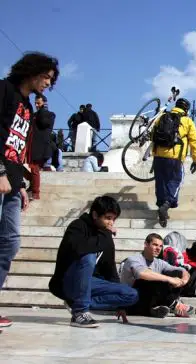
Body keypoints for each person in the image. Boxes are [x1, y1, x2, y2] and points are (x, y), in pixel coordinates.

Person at [0, 52, 59, 329]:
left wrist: (21, 183)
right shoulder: (4, 90)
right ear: (31, 71)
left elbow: (17, 144)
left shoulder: (27, 105)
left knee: (10, 243)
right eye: (45, 76)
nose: (48, 82)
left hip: (12, 182)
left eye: (51, 79)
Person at [48, 196, 139, 328]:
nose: (111, 223)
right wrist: (104, 234)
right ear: (95, 215)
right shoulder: (77, 226)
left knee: (131, 295)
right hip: (68, 282)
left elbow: (110, 269)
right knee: (88, 257)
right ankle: (79, 312)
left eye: (113, 219)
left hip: (91, 283)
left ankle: (76, 302)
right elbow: (80, 249)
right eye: (108, 218)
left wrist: (120, 305)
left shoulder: (105, 236)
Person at [151, 98, 196, 228]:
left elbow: (152, 134)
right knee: (176, 181)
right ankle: (167, 204)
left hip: (158, 157)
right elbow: (194, 141)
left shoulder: (162, 116)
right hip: (174, 157)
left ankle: (162, 206)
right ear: (186, 109)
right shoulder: (187, 121)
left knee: (160, 182)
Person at [121, 233, 195, 318]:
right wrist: (170, 279)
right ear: (146, 244)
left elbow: (182, 271)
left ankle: (156, 309)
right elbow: (143, 273)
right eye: (155, 245)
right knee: (152, 278)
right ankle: (174, 305)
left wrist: (183, 281)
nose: (158, 249)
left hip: (148, 300)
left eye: (160, 246)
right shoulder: (133, 259)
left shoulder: (159, 262)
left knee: (177, 273)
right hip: (131, 302)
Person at [25, 94, 55, 200]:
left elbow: (43, 123)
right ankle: (32, 185)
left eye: (39, 103)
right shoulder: (34, 115)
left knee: (34, 168)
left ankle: (35, 192)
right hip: (30, 146)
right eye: (36, 103)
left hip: (41, 147)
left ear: (44, 103)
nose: (37, 105)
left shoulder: (49, 114)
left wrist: (42, 109)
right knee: (20, 166)